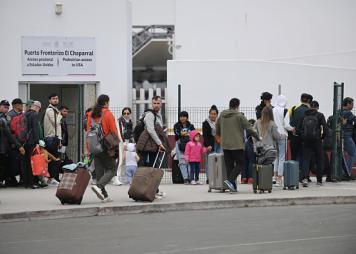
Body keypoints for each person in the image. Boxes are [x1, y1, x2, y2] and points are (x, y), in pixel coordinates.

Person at [216, 98, 259, 192]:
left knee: (229, 166)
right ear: (237, 106)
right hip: (237, 144)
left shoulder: (222, 115)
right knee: (241, 163)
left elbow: (217, 127)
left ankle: (232, 187)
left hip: (225, 144)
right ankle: (230, 181)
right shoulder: (239, 116)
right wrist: (258, 137)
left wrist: (219, 135)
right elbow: (249, 128)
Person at [136, 96, 169, 198]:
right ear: (151, 104)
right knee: (150, 168)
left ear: (161, 104)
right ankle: (148, 190)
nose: (156, 105)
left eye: (158, 103)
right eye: (154, 103)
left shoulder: (158, 115)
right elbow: (150, 130)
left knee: (153, 167)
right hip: (148, 145)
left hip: (152, 145)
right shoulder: (150, 114)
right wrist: (159, 143)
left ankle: (154, 189)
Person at [88, 94, 119, 202]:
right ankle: (99, 186)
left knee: (100, 171)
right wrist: (117, 145)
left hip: (94, 146)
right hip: (106, 146)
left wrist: (88, 147)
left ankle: (104, 196)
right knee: (113, 169)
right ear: (106, 102)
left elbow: (88, 130)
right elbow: (113, 131)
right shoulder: (108, 114)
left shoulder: (91, 114)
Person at [297, 101, 328, 187]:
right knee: (319, 160)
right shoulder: (320, 115)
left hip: (306, 141)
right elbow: (325, 128)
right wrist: (322, 137)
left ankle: (305, 179)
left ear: (310, 107)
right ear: (317, 107)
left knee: (306, 160)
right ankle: (319, 180)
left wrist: (303, 137)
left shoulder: (304, 115)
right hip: (317, 140)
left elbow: (298, 129)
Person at [0, 100, 25, 188]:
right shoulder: (4, 118)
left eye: (7, 107)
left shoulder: (5, 117)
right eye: (4, 107)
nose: (6, 109)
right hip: (4, 144)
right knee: (3, 164)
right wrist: (18, 145)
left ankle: (7, 180)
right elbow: (8, 133)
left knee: (5, 164)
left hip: (5, 144)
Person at [289, 93, 313, 180]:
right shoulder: (309, 111)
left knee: (295, 156)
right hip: (305, 137)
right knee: (305, 157)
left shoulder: (295, 109)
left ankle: (295, 175)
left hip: (295, 137)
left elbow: (291, 123)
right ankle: (304, 176)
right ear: (309, 101)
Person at [272, 95, 294, 186]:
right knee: (281, 157)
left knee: (276, 157)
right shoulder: (285, 111)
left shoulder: (272, 110)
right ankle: (279, 179)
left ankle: (274, 176)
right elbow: (286, 125)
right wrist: (292, 129)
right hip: (282, 135)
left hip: (274, 135)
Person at [23, 101, 44, 189]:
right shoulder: (34, 115)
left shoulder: (25, 114)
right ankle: (32, 183)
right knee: (33, 162)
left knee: (26, 163)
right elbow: (35, 129)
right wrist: (37, 142)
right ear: (37, 107)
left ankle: (26, 182)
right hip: (32, 142)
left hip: (24, 142)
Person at [43, 93, 62, 184]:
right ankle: (52, 178)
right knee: (54, 159)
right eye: (53, 99)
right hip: (51, 138)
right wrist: (60, 115)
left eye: (57, 98)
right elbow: (56, 123)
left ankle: (51, 178)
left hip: (55, 138)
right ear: (49, 101)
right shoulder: (50, 110)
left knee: (54, 158)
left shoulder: (55, 110)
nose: (55, 100)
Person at [113, 107, 133, 185]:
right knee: (120, 160)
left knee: (126, 160)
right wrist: (123, 142)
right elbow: (119, 132)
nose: (126, 115)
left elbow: (130, 133)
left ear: (130, 114)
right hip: (121, 142)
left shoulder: (130, 121)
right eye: (124, 113)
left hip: (128, 142)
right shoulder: (120, 121)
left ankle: (124, 177)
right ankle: (116, 178)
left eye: (128, 113)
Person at [174, 111, 195, 184]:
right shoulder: (176, 125)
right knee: (182, 162)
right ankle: (185, 178)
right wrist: (186, 133)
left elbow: (194, 134)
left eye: (184, 116)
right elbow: (177, 133)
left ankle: (190, 178)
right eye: (181, 116)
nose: (182, 118)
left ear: (187, 117)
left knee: (190, 161)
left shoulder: (191, 125)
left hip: (190, 145)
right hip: (180, 144)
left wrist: (183, 133)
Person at [202, 105, 222, 184]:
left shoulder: (219, 122)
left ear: (217, 115)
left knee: (219, 161)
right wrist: (207, 145)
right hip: (210, 145)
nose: (213, 115)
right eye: (211, 114)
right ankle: (209, 178)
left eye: (214, 114)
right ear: (209, 114)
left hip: (219, 144)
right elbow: (205, 136)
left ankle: (218, 177)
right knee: (209, 162)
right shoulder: (206, 123)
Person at [7, 98, 24, 186]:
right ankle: (11, 179)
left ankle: (21, 178)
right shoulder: (10, 115)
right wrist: (14, 142)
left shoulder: (22, 114)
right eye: (21, 104)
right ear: (16, 105)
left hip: (21, 141)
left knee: (21, 160)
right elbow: (9, 131)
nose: (22, 106)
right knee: (13, 161)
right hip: (13, 142)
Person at [341, 97, 356, 179]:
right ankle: (347, 173)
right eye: (352, 104)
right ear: (347, 104)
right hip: (347, 135)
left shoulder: (340, 112)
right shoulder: (348, 113)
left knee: (342, 155)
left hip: (343, 135)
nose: (353, 106)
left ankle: (345, 172)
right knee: (353, 153)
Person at [241, 119, 256, 184]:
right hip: (250, 144)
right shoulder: (252, 129)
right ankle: (250, 178)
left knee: (244, 162)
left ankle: (243, 178)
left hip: (243, 145)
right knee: (251, 161)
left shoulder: (243, 128)